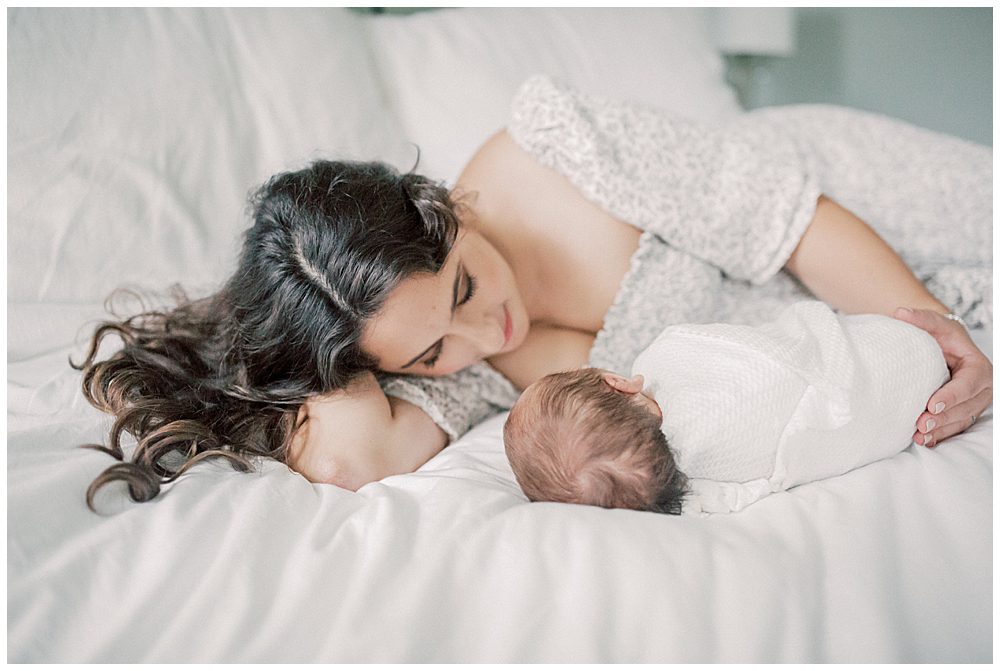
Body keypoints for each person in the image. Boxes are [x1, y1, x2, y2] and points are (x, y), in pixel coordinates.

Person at [75, 75, 993, 508]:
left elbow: (797, 223)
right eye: (432, 348)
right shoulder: (448, 381)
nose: (487, 331)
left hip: (842, 204)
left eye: (465, 283)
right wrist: (320, 357)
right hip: (822, 328)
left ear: (444, 210)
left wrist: (934, 329)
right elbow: (351, 453)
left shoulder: (556, 145)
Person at [502, 301, 950, 515]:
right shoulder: (665, 354)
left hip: (908, 399)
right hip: (902, 349)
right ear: (617, 384)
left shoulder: (703, 491)